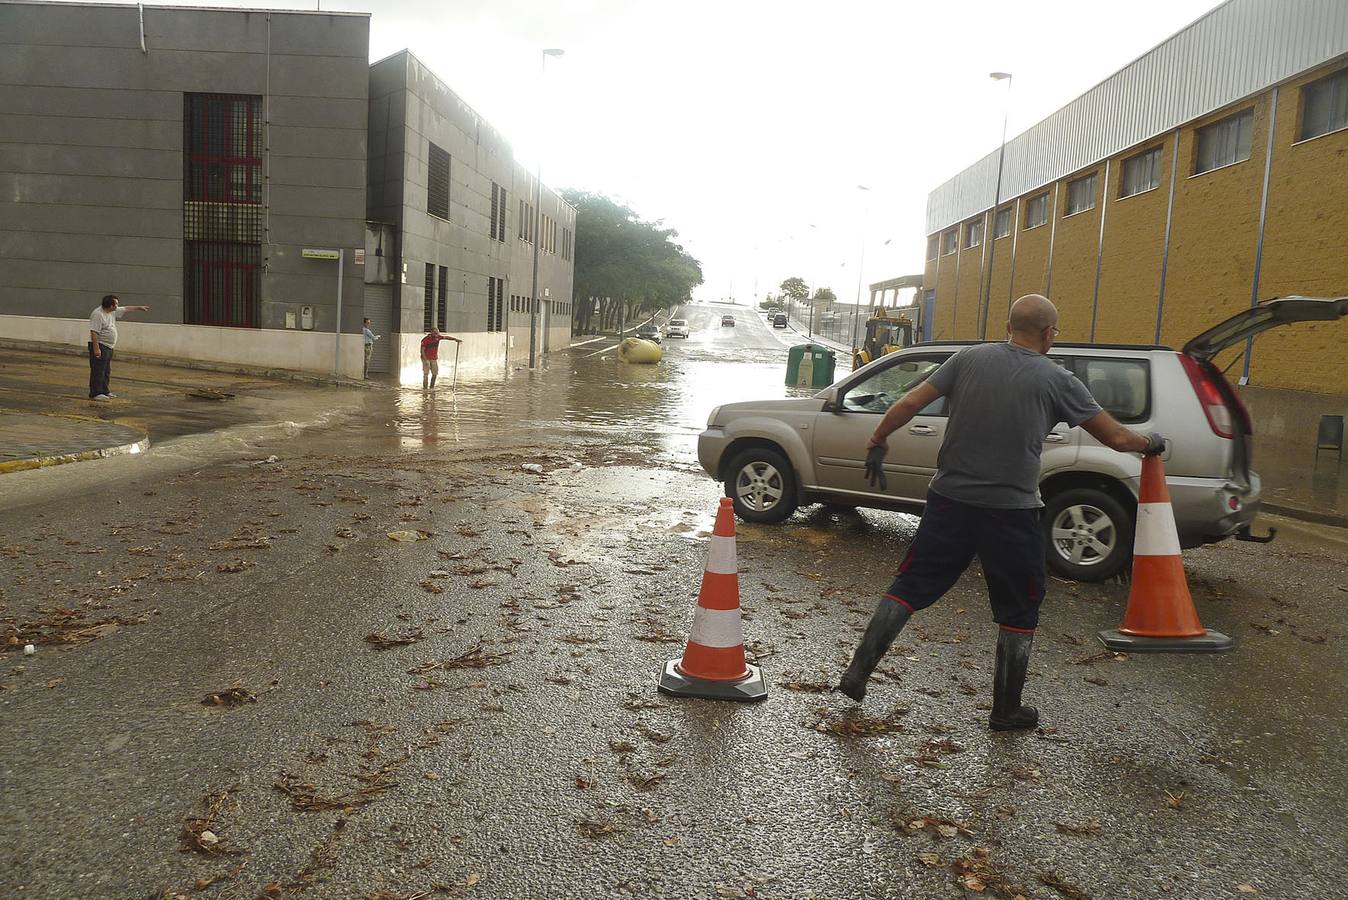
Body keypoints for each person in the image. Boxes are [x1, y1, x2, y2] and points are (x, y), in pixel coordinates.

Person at [838, 294, 1164, 731]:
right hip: (1010, 512)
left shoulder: (968, 359)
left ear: (1009, 325)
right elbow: (1119, 439)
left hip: (949, 502)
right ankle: (1006, 708)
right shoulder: (1056, 379)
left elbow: (910, 402)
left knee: (911, 583)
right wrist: (1152, 443)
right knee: (1021, 603)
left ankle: (857, 673)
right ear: (1049, 333)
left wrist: (878, 438)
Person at [87, 294, 150, 400]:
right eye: (116, 304)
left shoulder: (111, 311)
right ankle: (95, 393)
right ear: (110, 306)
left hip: (108, 346)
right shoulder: (98, 315)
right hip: (100, 345)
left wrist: (139, 307)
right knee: (98, 370)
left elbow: (126, 308)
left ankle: (105, 391)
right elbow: (94, 332)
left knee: (106, 370)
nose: (118, 306)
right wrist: (96, 349)